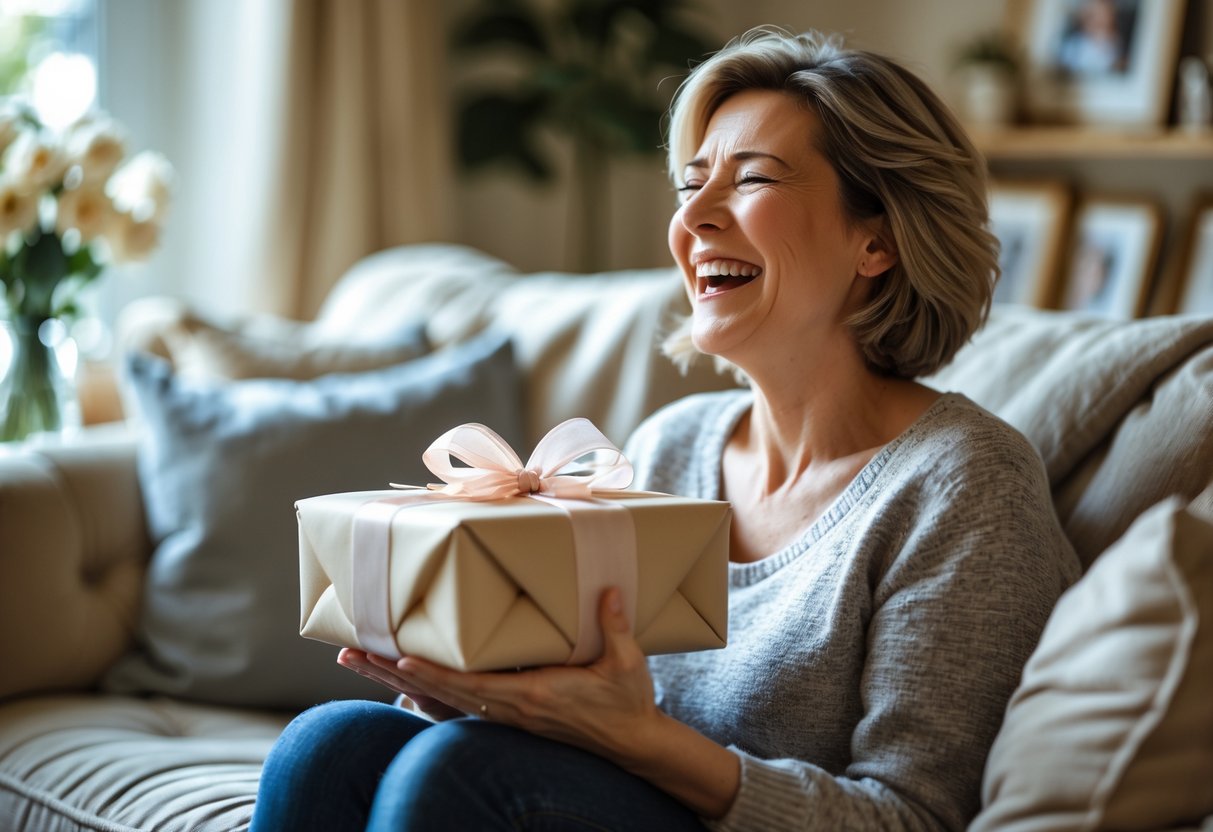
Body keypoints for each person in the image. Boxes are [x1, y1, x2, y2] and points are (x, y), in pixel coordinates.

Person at [250, 27, 1081, 832]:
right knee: (332, 743)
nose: (695, 220)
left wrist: (635, 738)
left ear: (877, 240)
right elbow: (575, 705)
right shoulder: (671, 445)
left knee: (456, 773)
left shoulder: (965, 485)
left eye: (751, 181)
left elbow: (913, 818)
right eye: (690, 186)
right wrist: (479, 690)